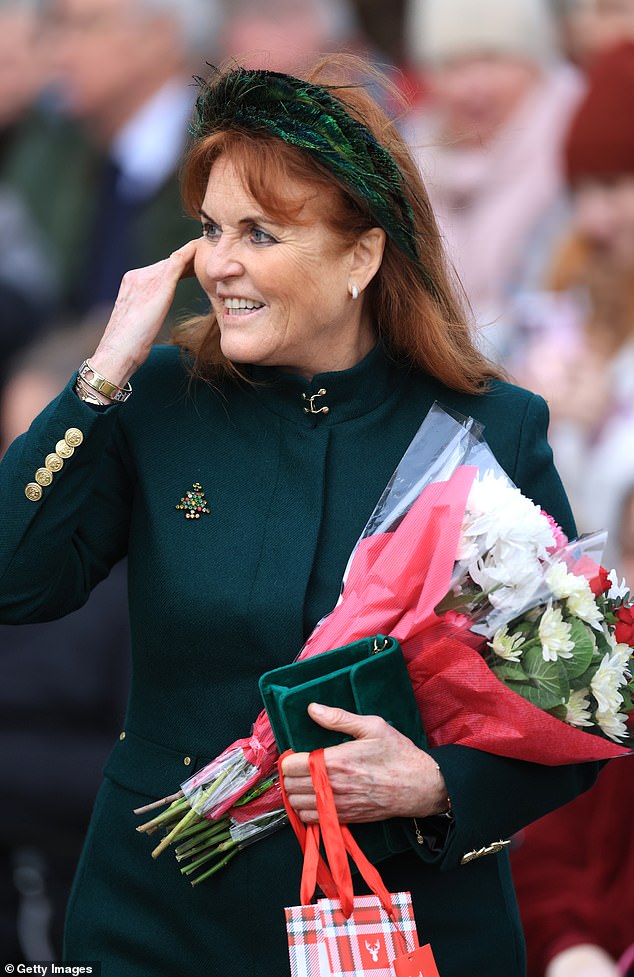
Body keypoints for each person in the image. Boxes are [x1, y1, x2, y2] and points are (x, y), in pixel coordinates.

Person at [0, 56, 600, 977]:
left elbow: (577, 710)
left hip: (407, 925)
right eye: (209, 227)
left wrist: (441, 785)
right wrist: (100, 376)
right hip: (159, 925)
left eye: (261, 232)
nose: (220, 262)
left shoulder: (486, 426)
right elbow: (16, 577)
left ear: (361, 255)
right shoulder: (157, 402)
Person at [402, 0, 584, 361]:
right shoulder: (408, 158)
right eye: (452, 64)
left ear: (535, 64)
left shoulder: (575, 148)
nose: (473, 86)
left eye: (492, 58)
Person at [512, 40, 634, 567]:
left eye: (611, 186)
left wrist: (612, 410)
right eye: (580, 192)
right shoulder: (573, 278)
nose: (592, 217)